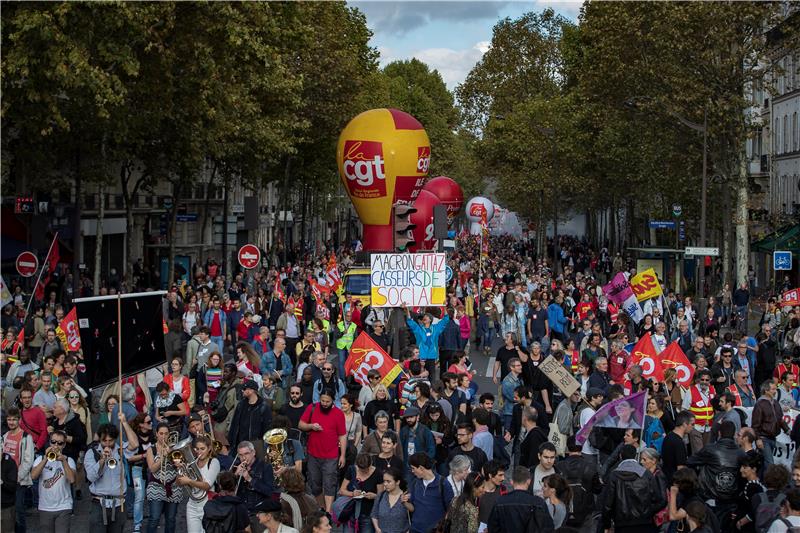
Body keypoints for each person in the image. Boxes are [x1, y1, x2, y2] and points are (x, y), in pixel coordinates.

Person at [687, 421, 745, 531]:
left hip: (712, 497)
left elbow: (690, 461)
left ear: (719, 433)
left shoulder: (711, 449)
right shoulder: (740, 453)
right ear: (733, 434)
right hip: (730, 499)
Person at [298, 388, 346, 513]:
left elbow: (342, 435)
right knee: (315, 484)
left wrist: (343, 455)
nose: (324, 403)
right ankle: (322, 508)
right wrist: (311, 426)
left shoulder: (339, 413)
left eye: (327, 401)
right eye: (323, 401)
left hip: (331, 455)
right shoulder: (312, 408)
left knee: (329, 484)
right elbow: (301, 424)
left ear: (333, 401)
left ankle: (329, 512)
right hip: (313, 454)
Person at [86, 422, 139, 533]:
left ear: (115, 439)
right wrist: (102, 460)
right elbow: (91, 477)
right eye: (104, 441)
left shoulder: (121, 450)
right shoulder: (92, 452)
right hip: (99, 504)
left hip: (119, 504)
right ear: (99, 439)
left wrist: (124, 422)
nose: (107, 444)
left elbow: (134, 444)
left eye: (110, 441)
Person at [601, 444, 667, 532]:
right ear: (636, 456)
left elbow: (607, 504)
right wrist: (648, 512)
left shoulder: (614, 475)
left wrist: (607, 524)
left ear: (620, 456)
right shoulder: (646, 474)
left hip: (622, 524)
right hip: (645, 523)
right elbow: (660, 500)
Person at [30, 429, 76, 532]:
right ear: (49, 442)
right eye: (53, 442)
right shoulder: (40, 459)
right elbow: (33, 476)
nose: (56, 446)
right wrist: (46, 459)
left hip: (64, 506)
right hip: (45, 507)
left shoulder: (69, 460)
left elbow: (72, 480)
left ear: (64, 445)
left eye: (60, 443)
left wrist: (63, 461)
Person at [145, 422, 187, 533]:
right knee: (154, 518)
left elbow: (181, 468)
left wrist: (175, 460)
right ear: (156, 434)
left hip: (173, 488)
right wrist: (163, 457)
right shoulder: (151, 449)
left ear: (169, 434)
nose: (163, 436)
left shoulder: (175, 449)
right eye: (161, 433)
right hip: (156, 487)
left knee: (171, 519)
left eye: (166, 433)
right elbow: (152, 469)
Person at [487, 465, 554, 532]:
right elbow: (548, 528)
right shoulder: (539, 503)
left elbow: (492, 528)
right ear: (529, 481)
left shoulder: (500, 502)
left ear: (511, 482)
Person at [177, 435, 221, 533]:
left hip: (207, 504)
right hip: (192, 505)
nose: (199, 452)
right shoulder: (193, 463)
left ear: (209, 448)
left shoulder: (214, 462)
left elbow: (207, 486)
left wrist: (189, 481)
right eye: (197, 449)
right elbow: (179, 483)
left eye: (202, 449)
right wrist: (179, 469)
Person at [232, 440, 277, 533]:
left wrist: (250, 479)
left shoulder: (265, 467)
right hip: (242, 514)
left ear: (253, 453)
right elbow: (229, 491)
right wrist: (235, 476)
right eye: (240, 455)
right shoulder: (235, 467)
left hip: (258, 514)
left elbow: (269, 491)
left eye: (246, 453)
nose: (243, 457)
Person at [405, 452, 454, 533]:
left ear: (421, 468)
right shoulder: (415, 483)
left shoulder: (443, 484)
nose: (412, 471)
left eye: (413, 468)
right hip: (415, 529)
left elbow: (451, 509)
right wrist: (404, 502)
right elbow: (412, 508)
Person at [4, 407, 35, 533]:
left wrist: (17, 477)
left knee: (18, 512)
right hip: (5, 481)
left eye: (14, 419)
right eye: (9, 419)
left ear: (19, 420)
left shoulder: (26, 437)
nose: (11, 422)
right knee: (7, 513)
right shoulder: (5, 436)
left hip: (18, 481)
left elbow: (28, 461)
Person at [227, 379, 272, 461]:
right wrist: (231, 441)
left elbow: (267, 428)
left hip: (256, 445)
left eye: (244, 389)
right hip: (240, 443)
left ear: (251, 390)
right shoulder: (241, 405)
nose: (242, 391)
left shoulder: (264, 406)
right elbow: (234, 424)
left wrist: (265, 447)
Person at [403, 305, 450, 379]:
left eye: (427, 316)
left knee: (431, 376)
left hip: (431, 356)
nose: (424, 317)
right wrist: (407, 310)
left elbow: (446, 319)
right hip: (421, 355)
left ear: (430, 320)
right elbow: (410, 321)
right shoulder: (419, 329)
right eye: (424, 316)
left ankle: (431, 389)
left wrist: (444, 307)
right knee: (420, 375)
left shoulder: (436, 328)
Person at [339, 453, 381, 533]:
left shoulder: (377, 473)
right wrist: (352, 493)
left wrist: (374, 496)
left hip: (368, 513)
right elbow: (342, 490)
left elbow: (381, 495)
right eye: (360, 469)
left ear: (370, 464)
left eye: (365, 470)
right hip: (350, 512)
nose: (363, 472)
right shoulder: (351, 470)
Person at [752, 379, 789, 466]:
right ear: (766, 390)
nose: (775, 391)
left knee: (765, 463)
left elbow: (780, 419)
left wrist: (788, 430)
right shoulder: (760, 404)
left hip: (773, 438)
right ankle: (768, 479)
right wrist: (758, 439)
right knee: (769, 463)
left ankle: (760, 479)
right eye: (773, 389)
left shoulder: (776, 403)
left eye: (775, 389)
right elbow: (755, 424)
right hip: (763, 438)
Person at [683, 369, 715, 454]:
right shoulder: (691, 390)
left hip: (708, 428)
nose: (704, 382)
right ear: (698, 380)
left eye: (707, 380)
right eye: (702, 379)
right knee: (698, 452)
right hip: (695, 427)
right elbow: (684, 409)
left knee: (707, 452)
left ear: (710, 380)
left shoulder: (712, 390)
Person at [371, 466, 410, 533]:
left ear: (397, 482)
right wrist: (377, 529)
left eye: (388, 481)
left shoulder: (406, 497)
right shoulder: (381, 496)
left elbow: (413, 519)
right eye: (384, 481)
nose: (385, 484)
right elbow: (374, 514)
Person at [398, 407, 435, 472]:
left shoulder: (425, 431)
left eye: (411, 417)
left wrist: (424, 463)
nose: (409, 420)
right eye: (407, 418)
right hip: (407, 467)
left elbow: (431, 450)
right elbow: (399, 448)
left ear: (418, 417)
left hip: (421, 467)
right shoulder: (403, 431)